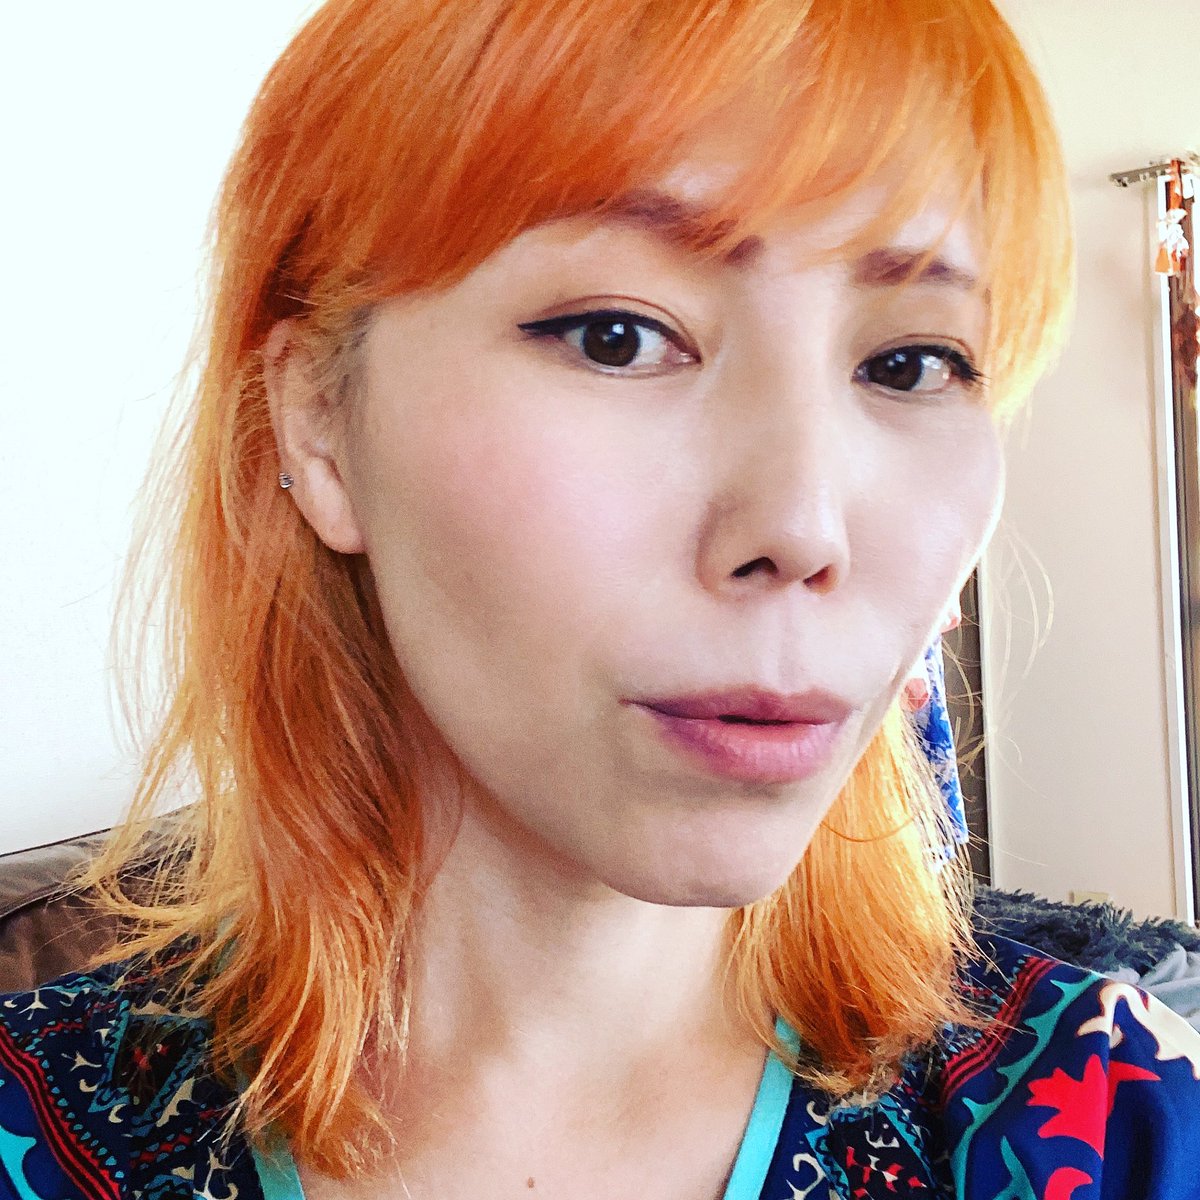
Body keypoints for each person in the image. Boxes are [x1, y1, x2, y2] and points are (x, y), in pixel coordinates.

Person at [2, 1, 1198, 1197]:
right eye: (617, 337)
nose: (802, 527)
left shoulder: (1120, 1125)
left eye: (911, 363)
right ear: (318, 419)